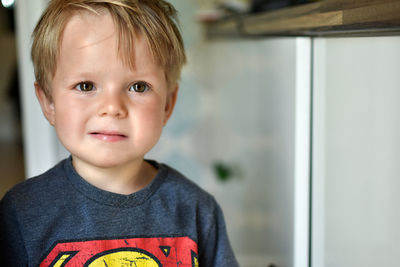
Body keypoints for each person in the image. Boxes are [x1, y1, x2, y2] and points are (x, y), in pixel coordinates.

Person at [0, 0, 239, 266]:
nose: (112, 108)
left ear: (168, 104)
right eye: (86, 85)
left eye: (138, 87)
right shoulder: (22, 213)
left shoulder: (196, 210)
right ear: (49, 102)